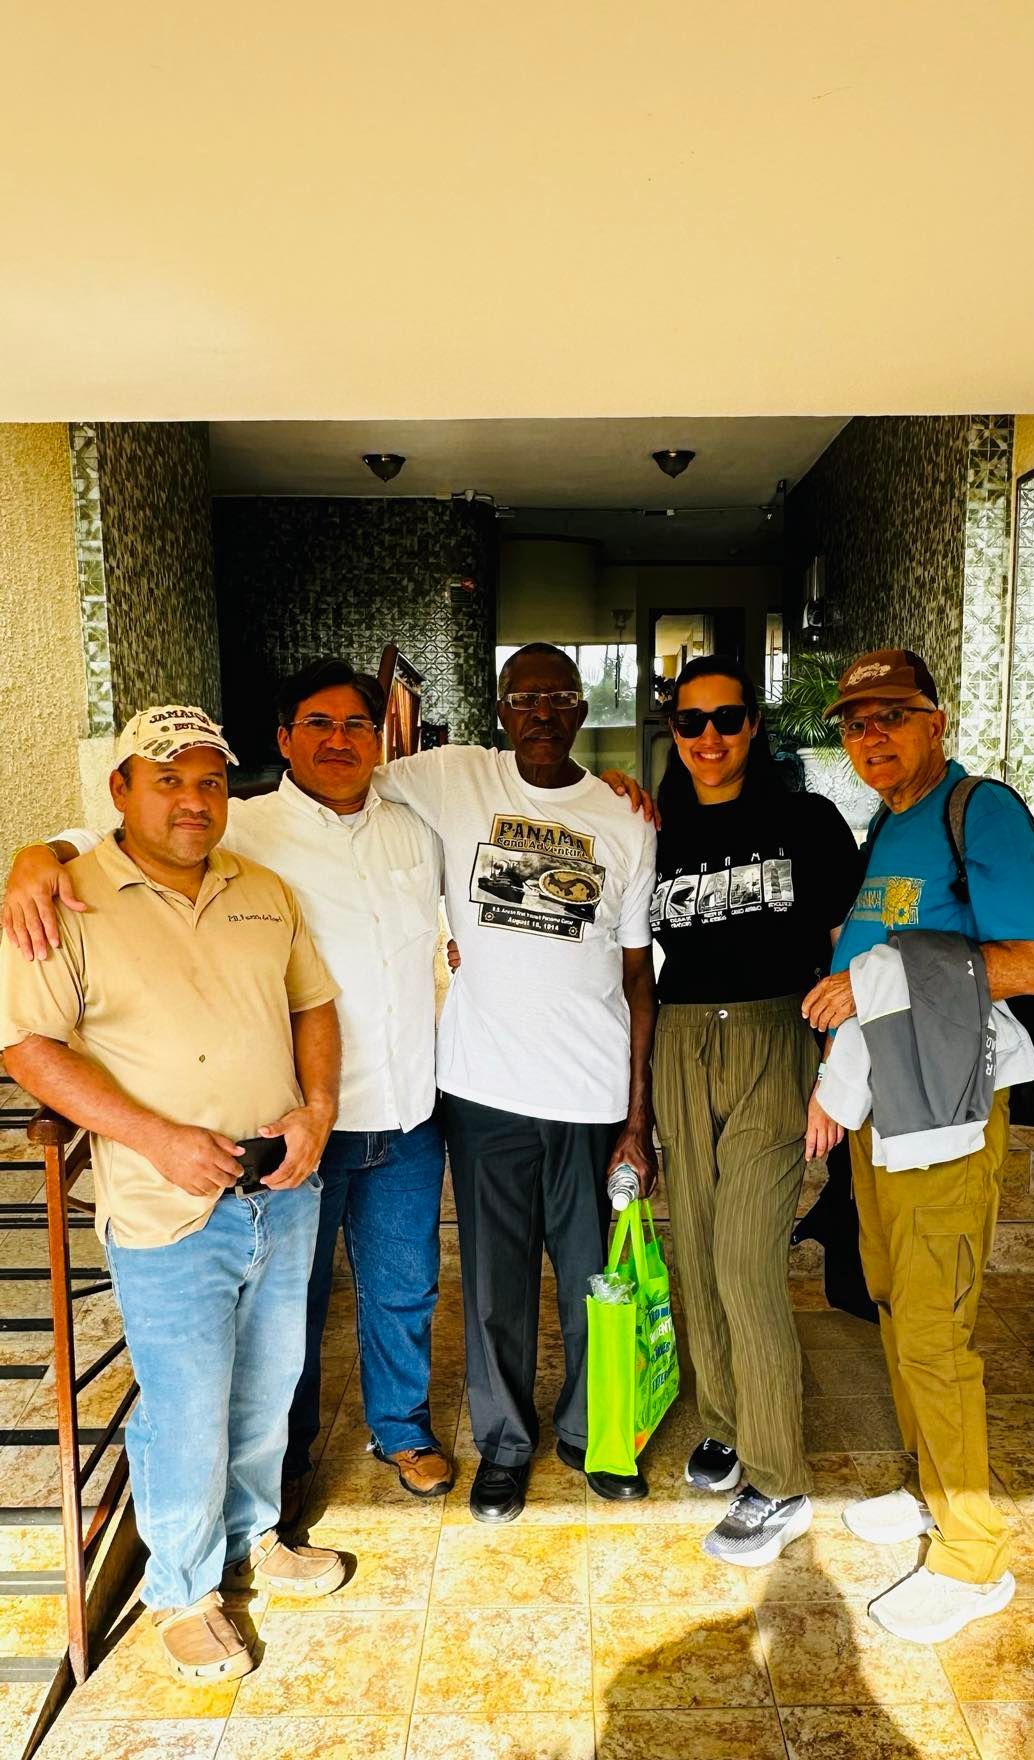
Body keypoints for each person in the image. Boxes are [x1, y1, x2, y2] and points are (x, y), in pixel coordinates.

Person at [3, 661, 451, 1523]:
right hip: (291, 1130)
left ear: (380, 737)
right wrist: (34, 854)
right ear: (283, 742)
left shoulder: (412, 829)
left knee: (403, 1286)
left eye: (356, 724)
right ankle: (283, 1464)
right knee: (296, 1310)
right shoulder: (241, 825)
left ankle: (400, 1428)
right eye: (316, 724)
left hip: (402, 1108)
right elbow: (110, 835)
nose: (338, 740)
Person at [0, 706, 346, 1681]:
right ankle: (183, 1591)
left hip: (282, 1184)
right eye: (169, 779)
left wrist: (315, 1112)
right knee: (186, 1405)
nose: (194, 800)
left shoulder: (264, 888)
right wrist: (153, 1137)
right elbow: (28, 1045)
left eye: (208, 781)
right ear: (120, 790)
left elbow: (313, 1004)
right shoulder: (63, 897)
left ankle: (255, 1536)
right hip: (165, 1203)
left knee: (269, 1382)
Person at [802, 648, 1034, 1644]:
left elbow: (1023, 964)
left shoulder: (977, 810)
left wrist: (873, 979)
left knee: (936, 1330)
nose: (871, 735)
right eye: (856, 722)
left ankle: (973, 1552)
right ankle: (927, 1485)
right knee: (897, 1302)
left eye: (891, 715)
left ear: (935, 720)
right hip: (886, 1111)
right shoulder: (892, 822)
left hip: (945, 1111)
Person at [384, 644, 658, 1523]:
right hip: (484, 1091)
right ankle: (504, 1444)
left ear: (583, 709)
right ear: (499, 709)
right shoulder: (453, 776)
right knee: (495, 1287)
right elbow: (338, 789)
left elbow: (639, 972)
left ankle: (591, 1434)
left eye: (558, 696)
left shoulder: (625, 816)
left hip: (589, 1094)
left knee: (592, 1282)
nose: (541, 710)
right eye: (523, 696)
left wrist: (636, 1117)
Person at [646, 657, 861, 1563]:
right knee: (694, 1248)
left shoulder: (805, 822)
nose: (709, 739)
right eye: (690, 723)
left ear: (755, 726)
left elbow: (852, 950)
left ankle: (781, 1482)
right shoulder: (652, 827)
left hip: (776, 1038)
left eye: (726, 720)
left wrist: (837, 1076)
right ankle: (726, 1424)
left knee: (744, 1260)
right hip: (679, 1039)